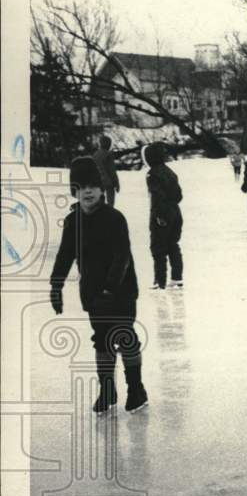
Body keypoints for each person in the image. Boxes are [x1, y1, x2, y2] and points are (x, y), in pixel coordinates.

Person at [49, 157, 147, 414]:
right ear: (75, 191)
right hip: (92, 293)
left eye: (93, 185)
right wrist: (55, 286)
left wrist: (110, 289)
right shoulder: (73, 222)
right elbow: (64, 254)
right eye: (81, 187)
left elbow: (122, 256)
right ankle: (107, 390)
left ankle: (136, 388)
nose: (88, 191)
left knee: (124, 336)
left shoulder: (115, 218)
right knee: (102, 340)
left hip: (121, 290)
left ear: (102, 189)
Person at [142, 143, 184, 290]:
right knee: (173, 244)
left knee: (158, 248)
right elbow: (179, 195)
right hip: (176, 212)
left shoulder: (152, 174)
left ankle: (159, 281)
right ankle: (177, 278)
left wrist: (159, 215)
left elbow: (156, 196)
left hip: (162, 213)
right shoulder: (170, 172)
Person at [92, 135, 121, 207]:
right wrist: (116, 183)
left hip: (97, 181)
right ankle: (109, 215)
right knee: (110, 202)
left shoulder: (95, 154)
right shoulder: (108, 154)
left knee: (99, 201)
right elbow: (112, 170)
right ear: (108, 144)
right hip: (108, 182)